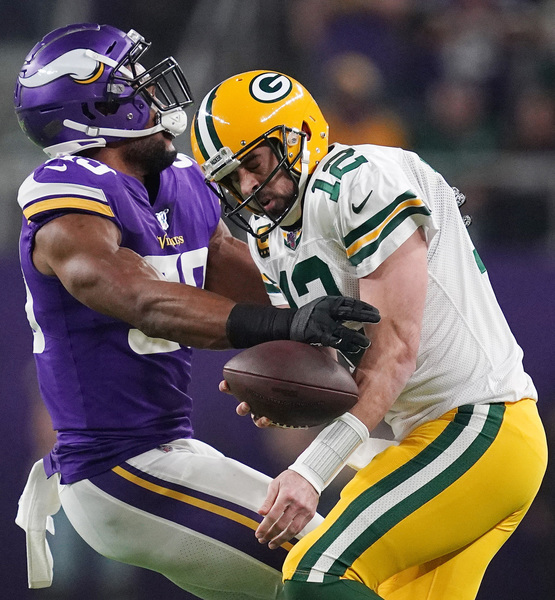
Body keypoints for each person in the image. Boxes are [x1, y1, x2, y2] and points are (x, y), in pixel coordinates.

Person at [13, 26, 381, 600]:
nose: (156, 99)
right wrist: (285, 325)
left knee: (326, 575)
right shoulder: (68, 195)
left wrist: (350, 300)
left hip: (168, 451)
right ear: (95, 112)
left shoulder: (180, 181)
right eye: (136, 88)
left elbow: (255, 285)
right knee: (331, 570)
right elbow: (142, 300)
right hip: (117, 467)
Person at [190, 70, 548, 600]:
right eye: (230, 178)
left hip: (480, 426)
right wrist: (284, 392)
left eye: (254, 165)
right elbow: (331, 367)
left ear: (297, 137)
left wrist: (310, 471)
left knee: (315, 573)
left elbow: (396, 351)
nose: (246, 188)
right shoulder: (270, 237)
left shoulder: (362, 179)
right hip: (427, 439)